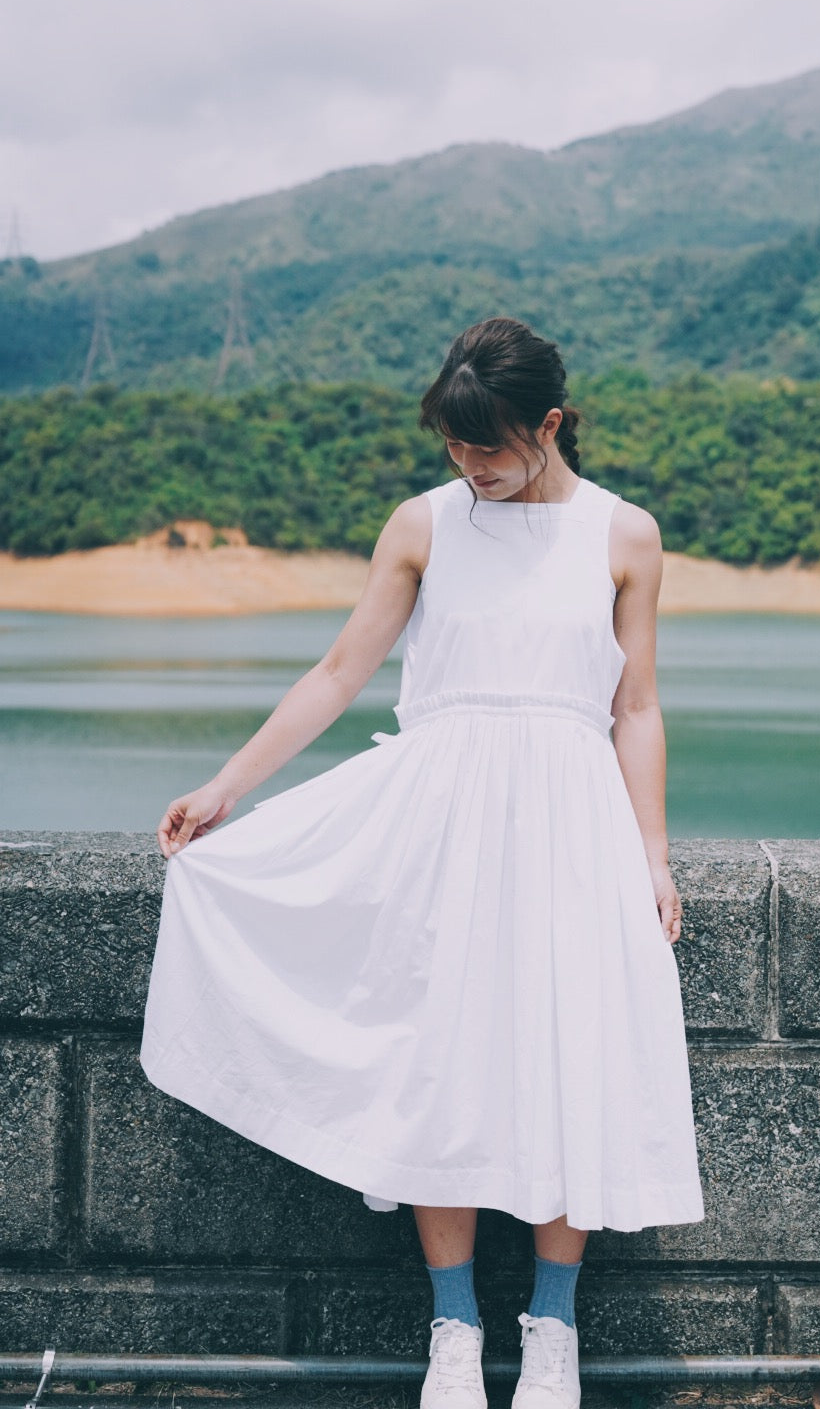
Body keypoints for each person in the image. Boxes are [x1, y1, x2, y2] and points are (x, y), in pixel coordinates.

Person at [140, 316, 704, 1409]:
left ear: (548, 423)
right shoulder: (424, 524)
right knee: (436, 1060)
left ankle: (553, 1327)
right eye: (455, 445)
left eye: (490, 445)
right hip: (440, 823)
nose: (471, 466)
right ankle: (454, 1325)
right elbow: (340, 669)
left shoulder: (624, 534)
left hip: (573, 822)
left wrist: (654, 852)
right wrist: (227, 784)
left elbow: (635, 705)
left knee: (565, 1057)